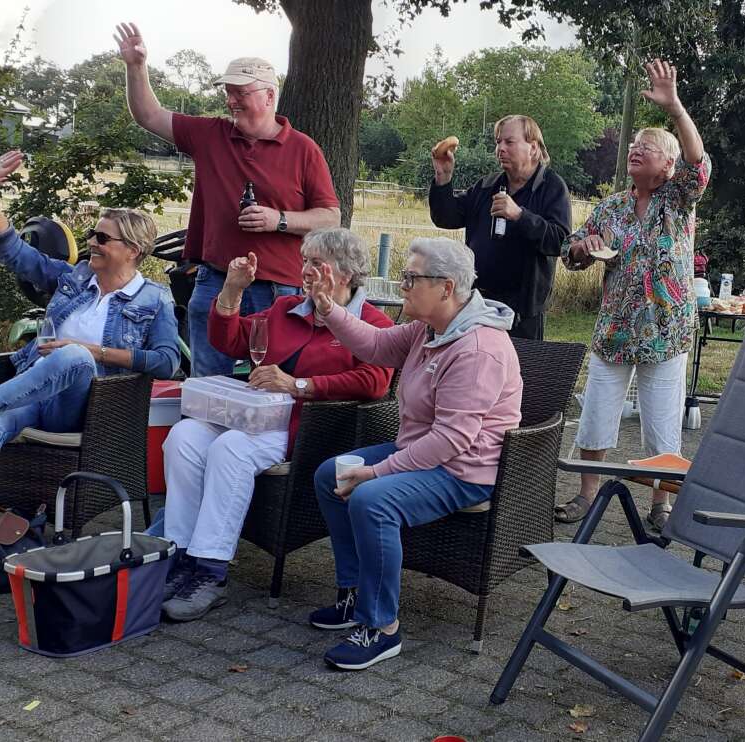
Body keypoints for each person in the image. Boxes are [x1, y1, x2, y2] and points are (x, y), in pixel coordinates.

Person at [0, 151, 181, 616]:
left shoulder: (154, 299)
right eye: (92, 235)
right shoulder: (72, 280)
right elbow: (9, 246)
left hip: (87, 407)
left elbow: (166, 362)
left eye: (102, 237)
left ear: (133, 249)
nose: (92, 242)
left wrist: (93, 353)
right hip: (29, 392)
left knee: (76, 356)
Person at [304, 237, 522, 670]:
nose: (402, 286)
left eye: (410, 278)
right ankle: (353, 594)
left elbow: (451, 440)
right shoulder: (432, 330)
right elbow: (374, 346)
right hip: (423, 453)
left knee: (372, 499)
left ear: (445, 287)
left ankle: (381, 627)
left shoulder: (477, 349)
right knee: (330, 475)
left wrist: (378, 472)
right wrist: (328, 307)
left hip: (464, 470)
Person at [159, 228, 394, 622]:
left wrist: (298, 385)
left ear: (347, 273)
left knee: (230, 448)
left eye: (317, 263)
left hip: (306, 430)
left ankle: (211, 571)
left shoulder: (374, 323)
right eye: (305, 261)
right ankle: (179, 555)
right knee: (183, 436)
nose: (306, 271)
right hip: (251, 414)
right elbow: (230, 342)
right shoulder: (286, 309)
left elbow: (375, 382)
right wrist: (232, 292)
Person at [114, 22, 341, 376]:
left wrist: (278, 219)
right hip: (215, 281)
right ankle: (203, 432)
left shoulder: (304, 149)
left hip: (280, 289)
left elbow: (330, 218)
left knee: (272, 382)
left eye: (241, 92)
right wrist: (136, 66)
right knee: (207, 382)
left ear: (269, 96)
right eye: (228, 92)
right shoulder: (210, 134)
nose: (231, 100)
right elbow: (148, 115)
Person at [552, 60, 711, 531]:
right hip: (615, 329)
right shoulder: (612, 206)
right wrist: (580, 250)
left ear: (667, 164)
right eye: (634, 146)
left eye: (648, 147)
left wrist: (675, 107)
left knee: (662, 423)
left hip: (665, 331)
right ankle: (587, 494)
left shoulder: (678, 199)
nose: (636, 150)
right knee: (597, 413)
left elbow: (698, 163)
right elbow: (572, 250)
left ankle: (661, 503)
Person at [428, 114, 571, 339]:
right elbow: (446, 218)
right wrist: (443, 177)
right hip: (477, 303)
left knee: (516, 373)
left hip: (522, 313)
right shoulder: (488, 185)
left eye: (509, 142)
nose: (500, 148)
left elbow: (561, 241)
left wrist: (520, 215)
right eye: (498, 142)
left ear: (533, 148)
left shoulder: (551, 187)